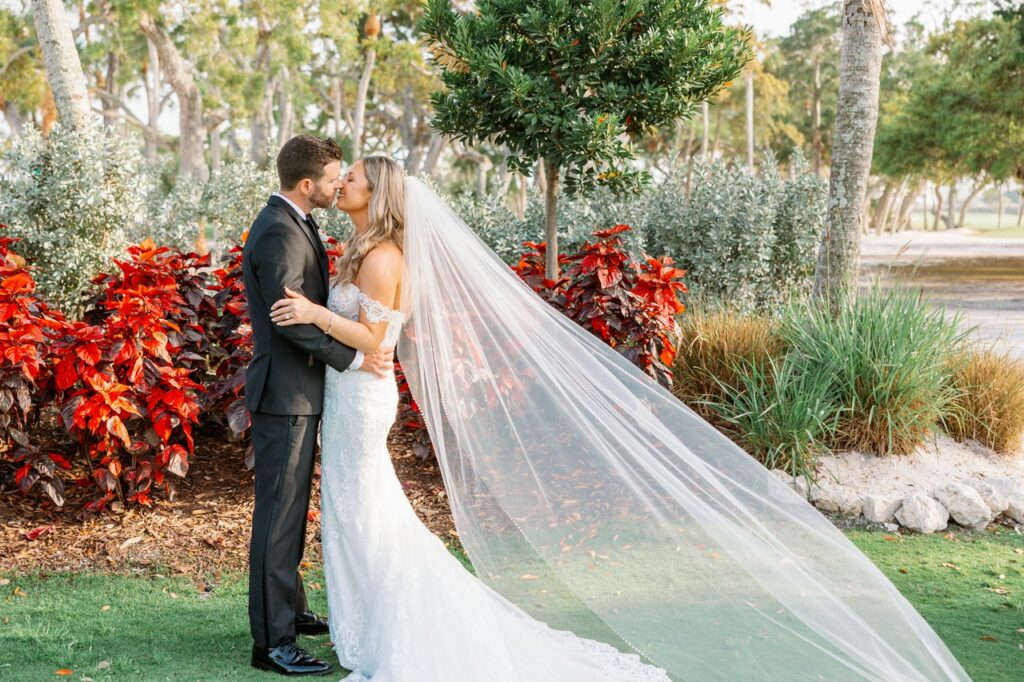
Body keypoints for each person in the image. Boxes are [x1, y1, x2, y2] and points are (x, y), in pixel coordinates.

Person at [270, 156, 971, 681]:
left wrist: (312, 312)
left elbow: (380, 343)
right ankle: (360, 619)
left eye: (356, 176)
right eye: (344, 175)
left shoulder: (387, 255)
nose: (345, 181)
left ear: (379, 194)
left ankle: (399, 626)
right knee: (356, 509)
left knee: (369, 510)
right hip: (349, 395)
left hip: (363, 397)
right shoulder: (362, 248)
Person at [242, 136, 392, 676]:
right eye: (332, 179)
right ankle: (272, 644)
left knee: (287, 513)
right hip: (286, 395)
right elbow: (293, 319)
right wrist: (353, 360)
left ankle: (293, 610)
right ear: (308, 186)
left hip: (300, 393)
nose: (338, 186)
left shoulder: (295, 221)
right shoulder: (281, 230)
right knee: (279, 519)